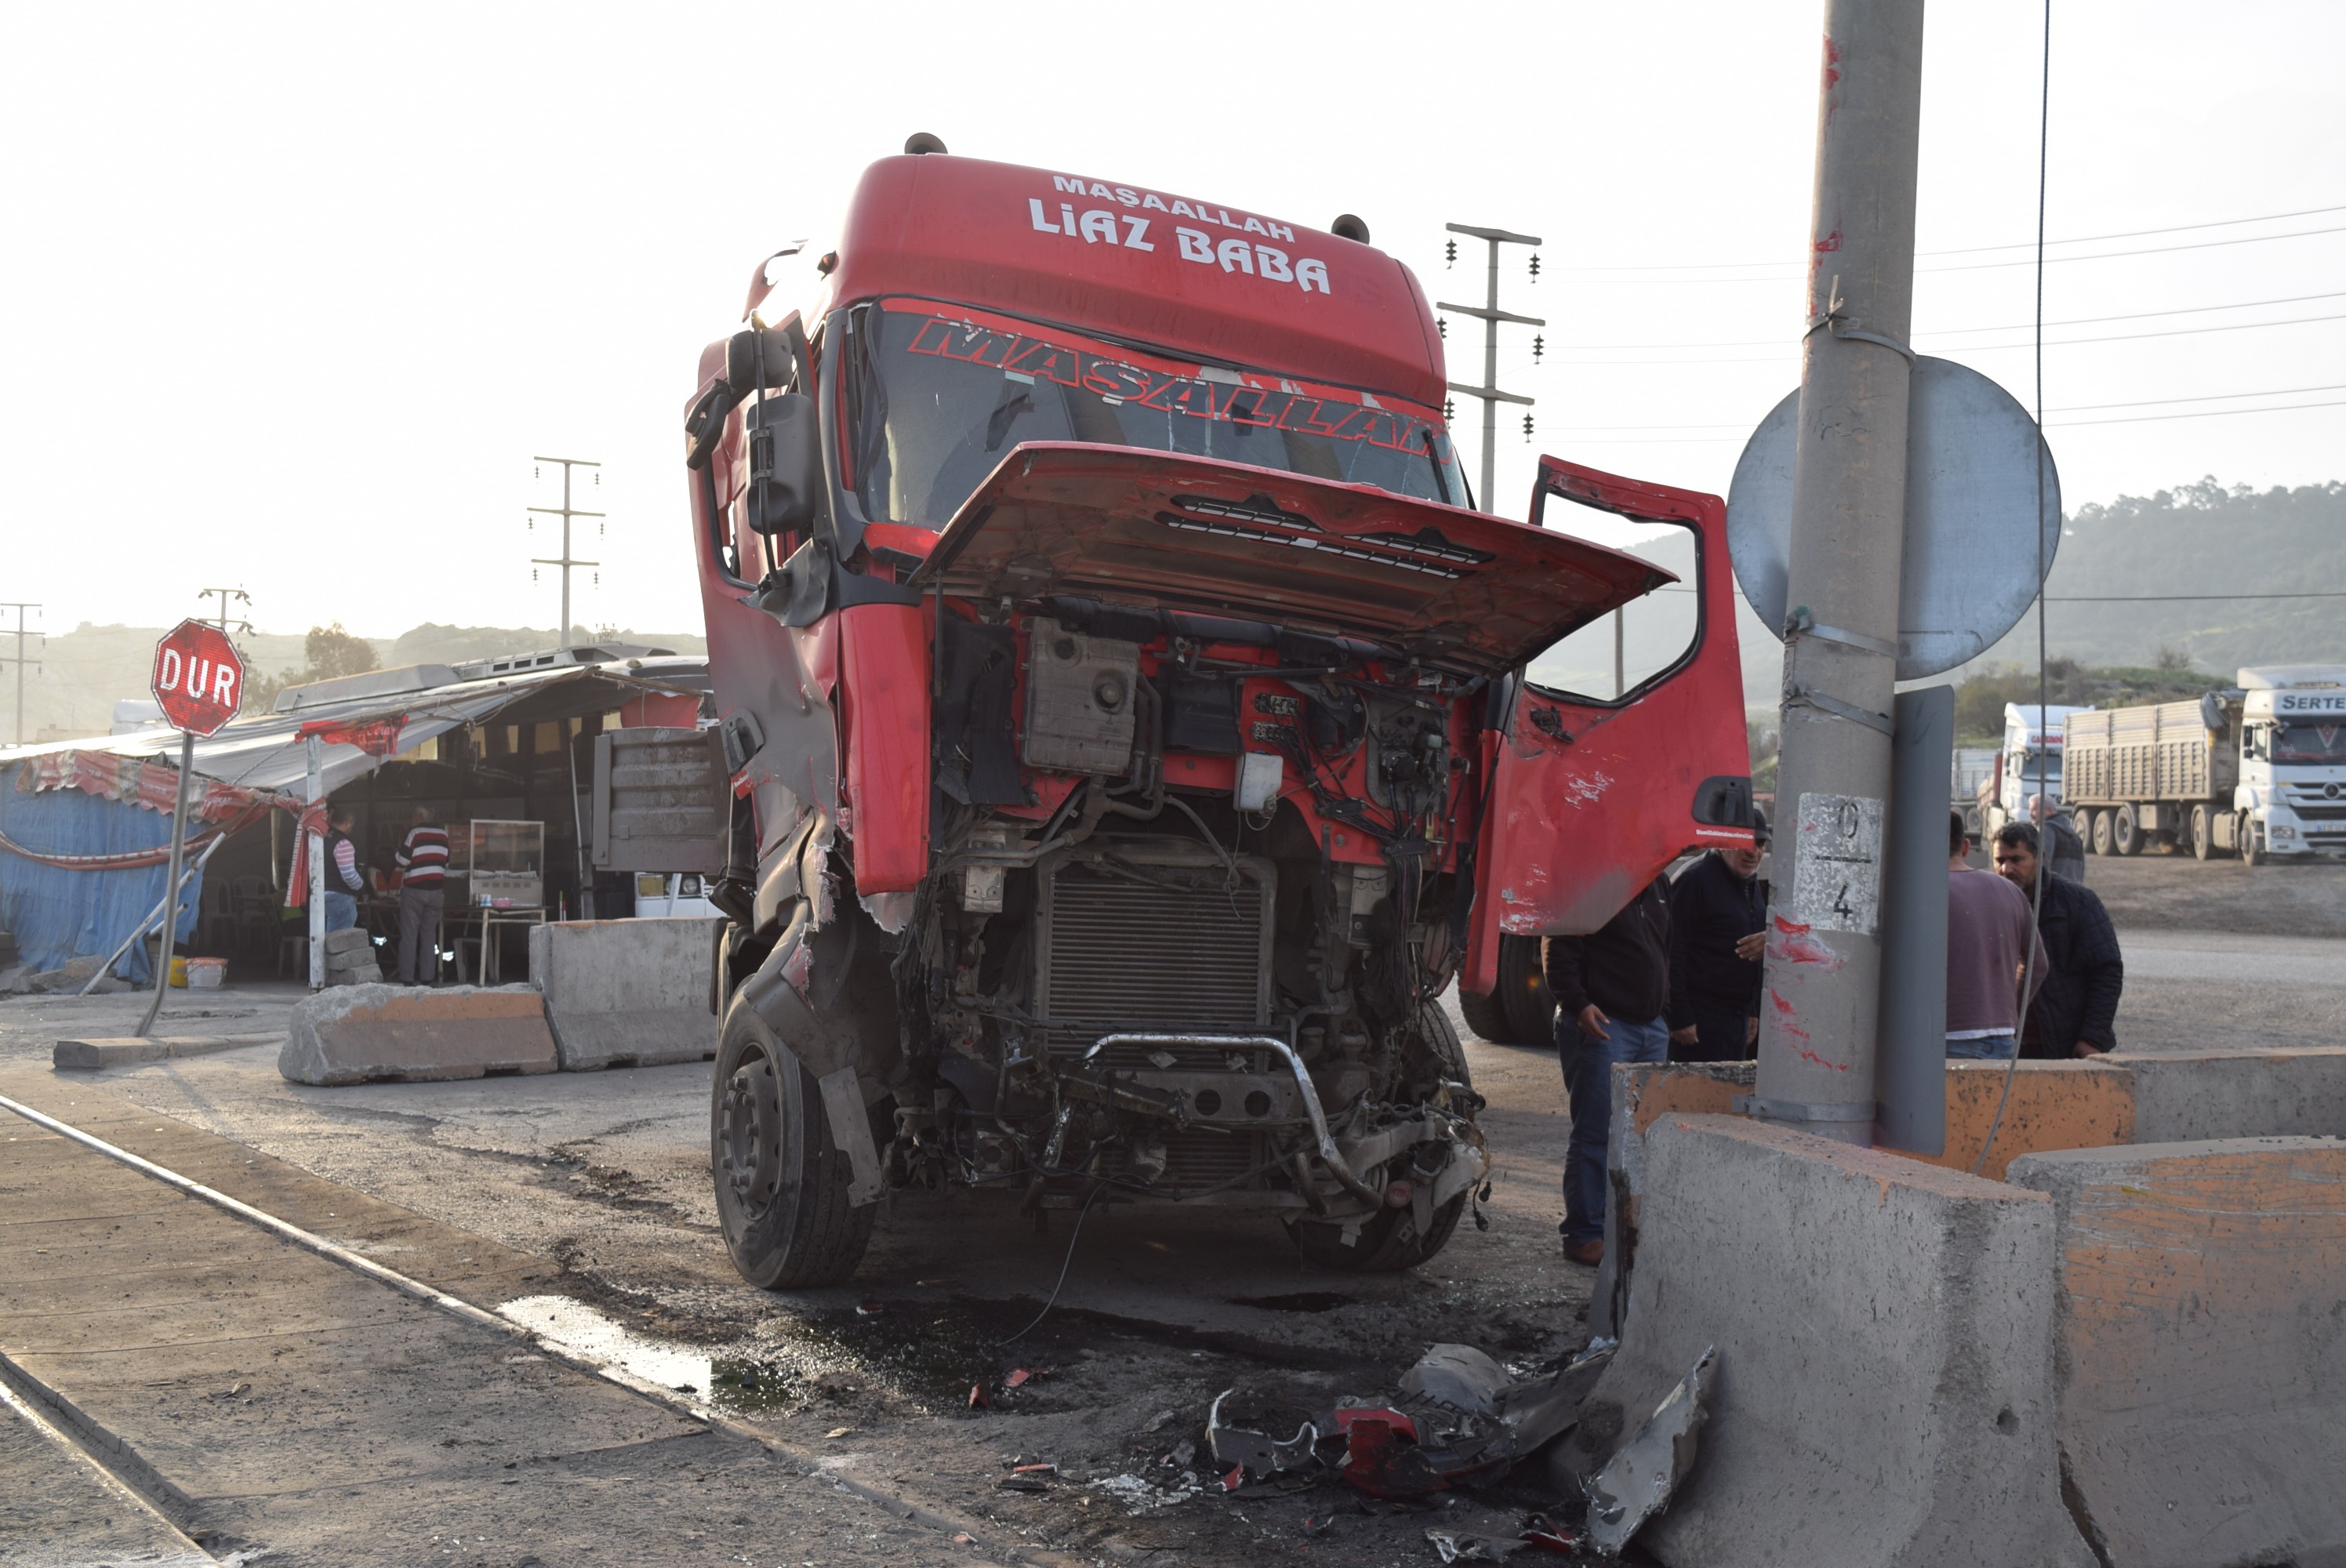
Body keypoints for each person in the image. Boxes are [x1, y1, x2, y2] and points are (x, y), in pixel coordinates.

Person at [1546, 875, 1672, 1265]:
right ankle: (1584, 1235)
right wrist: (1577, 1003)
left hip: (1650, 1028)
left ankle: (1623, 1230)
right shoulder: (1594, 877)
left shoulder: (1659, 884)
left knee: (1641, 1137)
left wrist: (1666, 1014)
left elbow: (1668, 951)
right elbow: (1559, 942)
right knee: (1595, 1132)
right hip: (1604, 1026)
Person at [1995, 822, 2123, 1058]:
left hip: (2058, 1044)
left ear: (2040, 857)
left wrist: (2092, 1038)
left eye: (2017, 860)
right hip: (2000, 1045)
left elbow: (2106, 971)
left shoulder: (2077, 903)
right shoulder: (1988, 903)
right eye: (2000, 861)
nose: (2006, 869)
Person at [1666, 809, 1769, 1062]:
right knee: (1693, 1100)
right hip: (1700, 1020)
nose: (1753, 852)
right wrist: (1680, 1017)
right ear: (1722, 841)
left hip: (1737, 1019)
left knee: (1727, 1100)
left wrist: (1752, 1010)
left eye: (1760, 844)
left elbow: (1751, 951)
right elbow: (1671, 952)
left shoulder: (1749, 882)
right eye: (1745, 842)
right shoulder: (1694, 880)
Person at [1946, 810, 2044, 1061]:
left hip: (1947, 1036)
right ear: (1966, 847)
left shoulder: (1925, 893)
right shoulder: (2009, 891)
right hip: (2002, 1037)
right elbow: (2038, 965)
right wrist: (2010, 1012)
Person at [394, 805, 450, 985]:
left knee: (410, 934)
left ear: (419, 817)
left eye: (412, 816)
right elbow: (445, 862)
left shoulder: (415, 833)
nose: (411, 819)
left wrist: (396, 852)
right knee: (429, 935)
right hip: (436, 892)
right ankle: (427, 978)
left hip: (414, 891)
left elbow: (403, 861)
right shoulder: (443, 834)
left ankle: (407, 978)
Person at [322, 808, 365, 933]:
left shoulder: (322, 838)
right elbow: (349, 874)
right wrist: (361, 886)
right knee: (338, 944)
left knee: (328, 939)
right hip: (340, 898)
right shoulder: (342, 842)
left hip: (323, 895)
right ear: (348, 822)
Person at [2029, 794, 2087, 884]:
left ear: (2048, 810)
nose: (2030, 814)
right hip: (2074, 892)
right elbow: (2081, 869)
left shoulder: (2046, 829)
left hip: (2054, 892)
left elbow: (2043, 862)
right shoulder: (2074, 835)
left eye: (2034, 810)